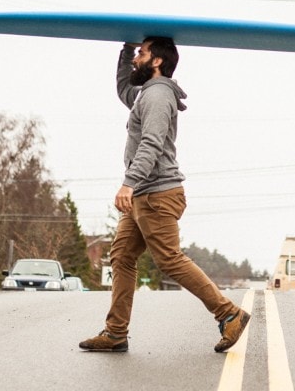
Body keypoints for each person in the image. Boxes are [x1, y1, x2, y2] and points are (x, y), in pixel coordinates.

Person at [80, 37, 250, 354]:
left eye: (142, 54)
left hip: (156, 193)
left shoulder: (158, 97)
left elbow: (152, 143)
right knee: (122, 257)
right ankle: (116, 332)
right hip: (145, 194)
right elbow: (124, 91)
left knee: (169, 260)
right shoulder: (147, 93)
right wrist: (126, 49)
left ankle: (228, 313)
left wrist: (128, 183)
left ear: (157, 61)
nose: (136, 60)